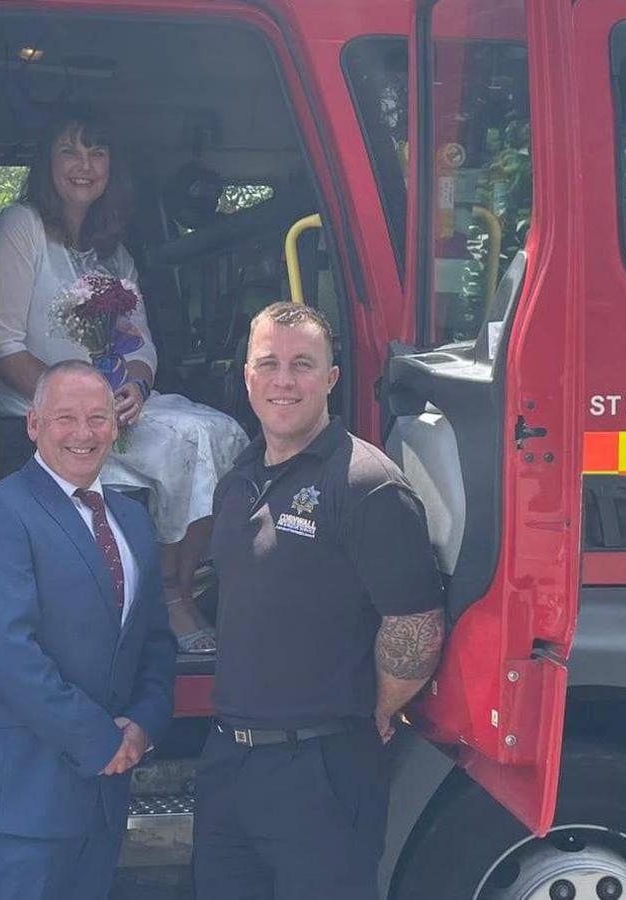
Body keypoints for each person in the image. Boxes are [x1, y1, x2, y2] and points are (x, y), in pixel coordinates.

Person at [192, 303, 447, 900]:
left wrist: (374, 709)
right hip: (228, 761)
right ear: (248, 376)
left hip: (322, 770)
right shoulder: (239, 480)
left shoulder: (365, 485)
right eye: (269, 364)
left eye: (302, 364)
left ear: (331, 378)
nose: (284, 380)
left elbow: (416, 626)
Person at [0, 109, 247, 652]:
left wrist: (137, 387)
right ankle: (173, 600)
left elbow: (141, 342)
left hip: (110, 402)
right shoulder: (21, 227)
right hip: (39, 409)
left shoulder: (114, 252)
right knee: (185, 442)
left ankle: (176, 583)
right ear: (46, 163)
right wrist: (78, 406)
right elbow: (2, 345)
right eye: (70, 151)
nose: (85, 165)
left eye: (97, 152)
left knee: (220, 431)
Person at [0, 360, 177, 900]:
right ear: (33, 425)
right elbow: (8, 653)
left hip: (101, 799)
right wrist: (100, 741)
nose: (83, 433)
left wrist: (143, 725)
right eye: (64, 417)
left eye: (98, 418)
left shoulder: (132, 520)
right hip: (19, 804)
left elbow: (155, 642)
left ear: (115, 428)